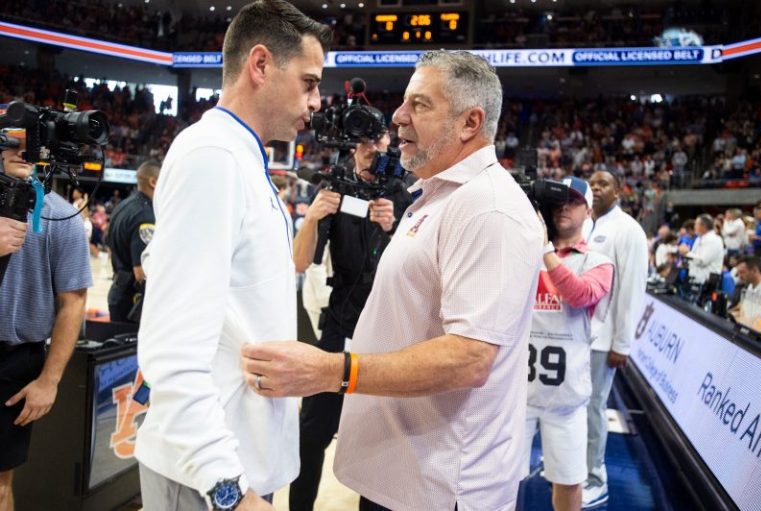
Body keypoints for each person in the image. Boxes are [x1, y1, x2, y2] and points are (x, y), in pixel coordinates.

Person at [241, 50, 543, 510]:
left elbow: (469, 358)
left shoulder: (489, 208)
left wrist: (330, 370)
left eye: (419, 105)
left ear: (469, 122)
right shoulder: (435, 196)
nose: (397, 116)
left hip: (443, 488)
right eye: (405, 102)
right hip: (405, 473)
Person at [134, 2, 331, 510]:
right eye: (309, 82)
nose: (317, 101)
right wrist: (228, 489)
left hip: (237, 462)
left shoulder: (236, 155)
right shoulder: (213, 159)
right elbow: (173, 350)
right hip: (209, 475)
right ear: (260, 65)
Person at [290, 126, 411, 511]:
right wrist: (312, 218)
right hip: (338, 324)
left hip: (387, 331)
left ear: (389, 143)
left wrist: (395, 230)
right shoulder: (334, 186)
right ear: (351, 147)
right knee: (311, 433)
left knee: (378, 443)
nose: (370, 149)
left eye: (377, 140)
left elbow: (419, 272)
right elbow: (298, 261)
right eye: (361, 141)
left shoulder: (404, 194)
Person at [0, 129, 91, 511]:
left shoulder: (60, 215)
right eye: (11, 144)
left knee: (0, 483)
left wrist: (49, 381)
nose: (22, 153)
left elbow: (73, 304)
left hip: (13, 362)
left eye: (31, 146)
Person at [525, 177, 614, 511]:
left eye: (573, 200)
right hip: (516, 393)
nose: (563, 206)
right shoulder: (525, 251)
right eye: (558, 200)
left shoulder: (599, 262)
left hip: (566, 398)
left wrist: (545, 249)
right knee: (501, 479)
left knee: (568, 482)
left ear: (588, 209)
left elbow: (579, 296)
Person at [583, 170, 648, 508]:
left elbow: (632, 291)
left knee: (594, 407)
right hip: (579, 335)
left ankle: (596, 478)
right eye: (592, 183)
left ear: (619, 191)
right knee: (574, 406)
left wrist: (622, 343)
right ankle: (575, 468)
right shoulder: (587, 224)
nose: (596, 188)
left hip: (604, 338)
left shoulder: (629, 231)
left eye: (603, 184)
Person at [104, 160, 161, 323]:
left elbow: (109, 246)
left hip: (118, 291)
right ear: (153, 182)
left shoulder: (124, 206)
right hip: (133, 303)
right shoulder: (146, 215)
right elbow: (141, 272)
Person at [678, 214, 725, 285]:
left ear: (703, 226)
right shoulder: (698, 239)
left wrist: (687, 253)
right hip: (694, 280)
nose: (694, 227)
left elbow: (703, 261)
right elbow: (693, 259)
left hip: (706, 283)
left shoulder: (714, 240)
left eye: (696, 224)